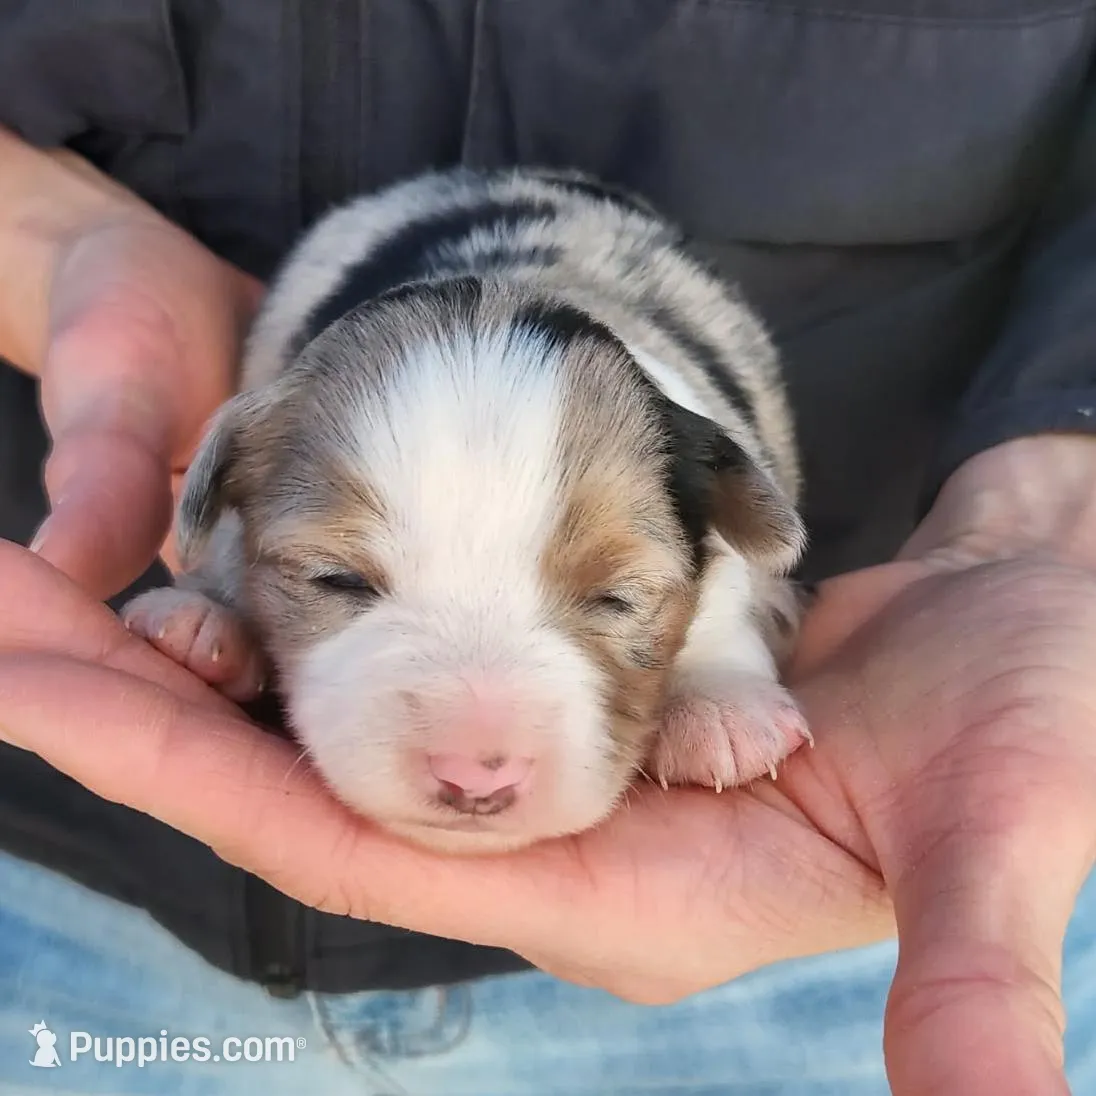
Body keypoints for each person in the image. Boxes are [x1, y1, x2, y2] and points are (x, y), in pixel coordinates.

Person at [1, 4, 1095, 1093]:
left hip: (802, 945)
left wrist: (1022, 517)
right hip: (73, 891)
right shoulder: (269, 433)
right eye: (340, 577)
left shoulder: (698, 483)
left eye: (616, 599)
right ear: (214, 494)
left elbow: (746, 566)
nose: (476, 761)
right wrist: (57, 246)